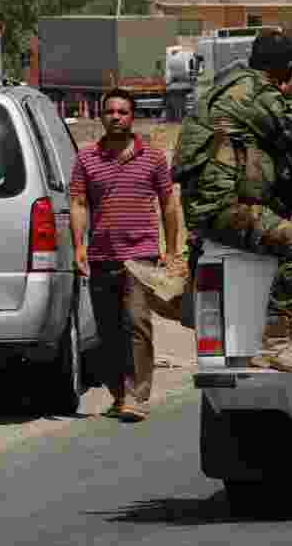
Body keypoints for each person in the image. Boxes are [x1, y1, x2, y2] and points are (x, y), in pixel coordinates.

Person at [173, 30, 292, 373]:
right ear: (287, 67)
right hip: (222, 207)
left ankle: (180, 292)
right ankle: (277, 346)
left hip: (209, 204)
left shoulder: (228, 84)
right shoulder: (258, 93)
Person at [70, 88, 182, 422]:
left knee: (137, 323)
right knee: (108, 331)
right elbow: (78, 203)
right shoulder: (87, 158)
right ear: (101, 116)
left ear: (132, 117)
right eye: (110, 112)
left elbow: (168, 204)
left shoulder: (153, 157)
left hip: (140, 254)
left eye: (122, 112)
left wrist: (172, 250)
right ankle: (119, 395)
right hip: (101, 255)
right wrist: (79, 246)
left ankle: (137, 396)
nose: (116, 117)